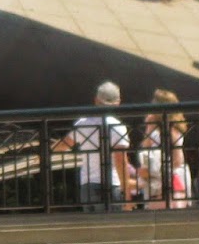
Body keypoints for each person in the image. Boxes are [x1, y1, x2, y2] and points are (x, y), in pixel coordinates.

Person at [56, 82, 131, 210]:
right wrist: (127, 196)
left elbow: (63, 145)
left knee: (92, 229)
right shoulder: (118, 127)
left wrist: (43, 152)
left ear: (96, 100)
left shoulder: (83, 123)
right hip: (111, 185)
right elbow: (121, 161)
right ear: (118, 102)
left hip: (87, 186)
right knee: (111, 228)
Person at [135, 89, 191, 209]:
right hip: (156, 182)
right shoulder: (155, 129)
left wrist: (158, 171)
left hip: (171, 181)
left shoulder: (173, 131)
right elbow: (145, 149)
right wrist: (149, 127)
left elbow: (178, 160)